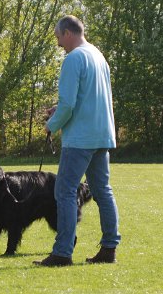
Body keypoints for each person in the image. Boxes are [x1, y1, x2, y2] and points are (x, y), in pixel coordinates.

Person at [33, 15, 121, 267]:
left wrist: (52, 124)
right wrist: (57, 109)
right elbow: (83, 99)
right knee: (103, 191)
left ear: (68, 33)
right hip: (102, 134)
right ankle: (109, 248)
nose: (58, 44)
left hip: (80, 138)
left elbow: (69, 105)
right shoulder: (98, 56)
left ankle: (62, 252)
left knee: (65, 191)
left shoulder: (73, 59)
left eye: (58, 38)